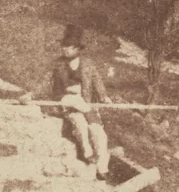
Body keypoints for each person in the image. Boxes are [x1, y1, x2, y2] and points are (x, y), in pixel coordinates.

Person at [20, 24, 112, 180]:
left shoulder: (88, 64)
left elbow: (97, 82)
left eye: (68, 47)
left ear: (77, 48)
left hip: (84, 102)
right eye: (63, 46)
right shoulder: (58, 64)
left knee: (98, 132)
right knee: (80, 124)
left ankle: (102, 168)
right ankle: (87, 152)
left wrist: (104, 96)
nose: (64, 49)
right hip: (67, 101)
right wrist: (32, 94)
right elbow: (45, 81)